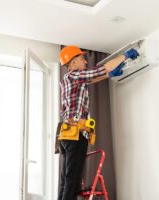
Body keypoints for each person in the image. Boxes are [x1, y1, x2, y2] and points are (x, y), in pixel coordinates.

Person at [57, 45, 139, 200]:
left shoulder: (68, 80)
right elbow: (100, 69)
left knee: (66, 180)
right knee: (72, 181)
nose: (86, 62)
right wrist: (125, 56)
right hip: (76, 135)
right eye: (82, 59)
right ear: (72, 63)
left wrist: (109, 75)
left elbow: (92, 78)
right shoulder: (75, 75)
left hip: (66, 135)